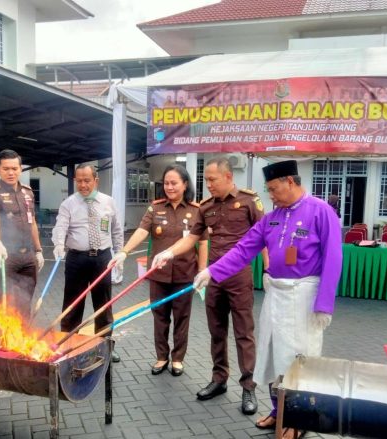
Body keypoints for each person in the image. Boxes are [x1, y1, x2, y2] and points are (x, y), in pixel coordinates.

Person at [192, 160, 342, 433]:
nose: (271, 195)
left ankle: (298, 420)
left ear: (291, 182)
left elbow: (334, 258)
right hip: (276, 294)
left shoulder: (321, 212)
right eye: (268, 190)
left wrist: (324, 304)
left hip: (304, 296)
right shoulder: (273, 216)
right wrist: (213, 272)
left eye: (274, 189)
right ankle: (278, 411)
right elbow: (244, 248)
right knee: (273, 355)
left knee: (298, 359)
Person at [151, 157, 265, 415]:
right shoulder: (205, 207)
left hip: (239, 277)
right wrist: (169, 252)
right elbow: (192, 238)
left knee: (244, 333)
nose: (208, 185)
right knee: (217, 331)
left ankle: (248, 387)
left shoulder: (248, 201)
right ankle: (219, 379)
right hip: (213, 278)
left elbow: (265, 235)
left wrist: (268, 270)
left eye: (212, 180)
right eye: (206, 180)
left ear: (228, 177)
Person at [109, 165, 208, 376]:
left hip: (185, 274)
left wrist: (202, 271)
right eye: (166, 183)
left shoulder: (196, 210)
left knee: (182, 318)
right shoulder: (155, 208)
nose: (169, 187)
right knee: (160, 317)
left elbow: (204, 243)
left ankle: (178, 359)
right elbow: (141, 232)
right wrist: (124, 252)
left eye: (174, 183)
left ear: (185, 184)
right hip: (159, 275)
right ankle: (162, 357)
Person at [52, 163, 123, 363]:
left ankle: (106, 345)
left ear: (96, 180)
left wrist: (119, 254)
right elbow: (60, 227)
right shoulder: (69, 204)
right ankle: (68, 345)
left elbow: (116, 230)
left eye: (87, 181)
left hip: (102, 258)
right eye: (79, 181)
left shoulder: (108, 202)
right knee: (73, 305)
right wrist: (58, 244)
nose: (83, 185)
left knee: (104, 305)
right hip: (77, 259)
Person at [0, 149, 44, 318]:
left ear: (20, 169)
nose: (11, 172)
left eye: (14, 168)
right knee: (2, 302)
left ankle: (21, 339)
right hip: (4, 255)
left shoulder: (28, 192)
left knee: (25, 302)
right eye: (6, 168)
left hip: (27, 257)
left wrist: (38, 250)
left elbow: (32, 223)